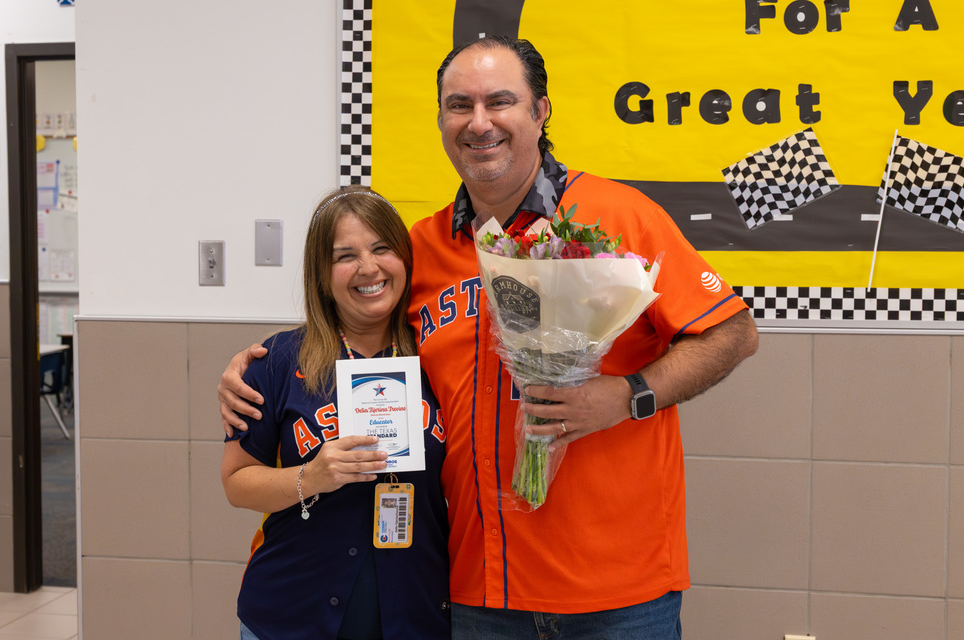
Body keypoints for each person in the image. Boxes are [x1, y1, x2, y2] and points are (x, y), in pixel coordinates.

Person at [220, 37, 758, 639]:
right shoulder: (418, 250)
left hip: (617, 591)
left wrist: (627, 395)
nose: (480, 123)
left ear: (541, 111)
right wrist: (253, 368)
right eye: (460, 105)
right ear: (443, 120)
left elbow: (732, 333)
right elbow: (351, 322)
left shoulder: (617, 215)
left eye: (500, 101)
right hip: (479, 589)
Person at [220, 186, 450, 640]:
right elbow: (236, 483)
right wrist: (311, 477)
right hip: (292, 614)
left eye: (382, 248)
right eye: (345, 256)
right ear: (322, 275)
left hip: (416, 613)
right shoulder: (278, 360)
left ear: (404, 259)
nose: (368, 268)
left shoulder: (440, 353)